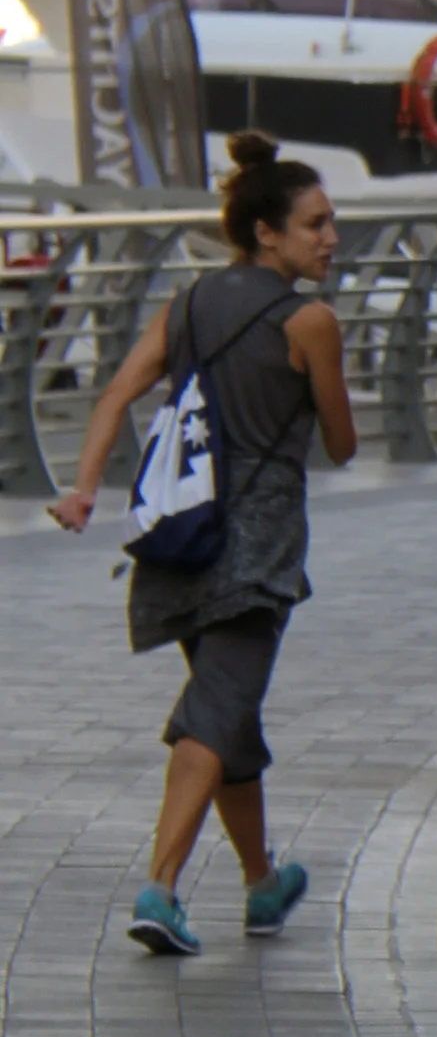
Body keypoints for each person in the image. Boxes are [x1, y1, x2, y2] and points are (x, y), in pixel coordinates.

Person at [49, 132, 357, 958]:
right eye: (316, 224)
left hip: (180, 536)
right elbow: (342, 444)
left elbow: (117, 393)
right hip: (256, 554)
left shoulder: (186, 305)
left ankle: (262, 882)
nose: (331, 238)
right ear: (267, 232)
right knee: (213, 714)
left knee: (230, 716)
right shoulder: (310, 321)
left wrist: (83, 489)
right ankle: (161, 888)